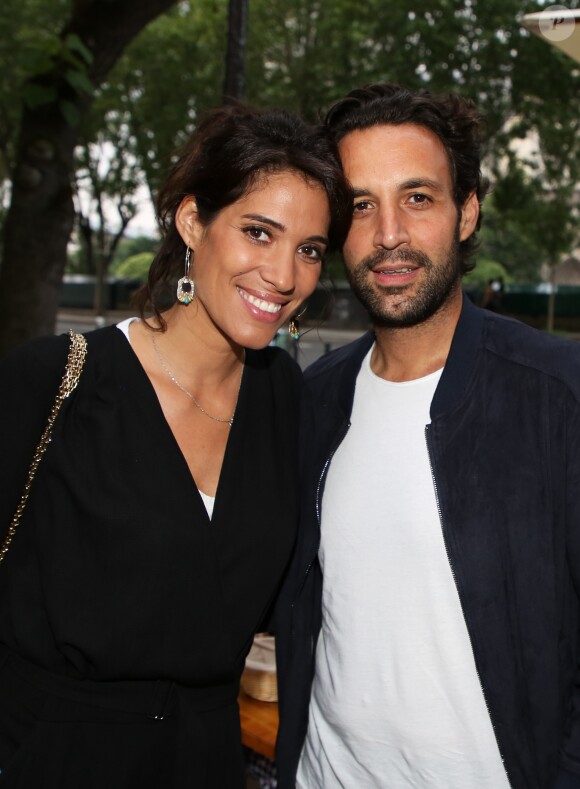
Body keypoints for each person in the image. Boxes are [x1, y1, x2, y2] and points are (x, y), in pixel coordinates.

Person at [0, 102, 352, 788]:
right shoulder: (54, 383)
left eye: (309, 249)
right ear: (193, 221)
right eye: (258, 232)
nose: (284, 275)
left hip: (209, 763)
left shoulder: (285, 399)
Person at [274, 82, 580, 789]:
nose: (388, 236)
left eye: (417, 198)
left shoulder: (558, 396)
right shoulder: (311, 402)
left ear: (466, 212)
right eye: (359, 204)